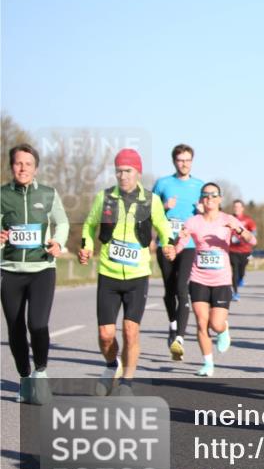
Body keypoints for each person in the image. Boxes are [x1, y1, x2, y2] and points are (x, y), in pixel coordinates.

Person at [80, 149, 175, 395]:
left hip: (137, 275)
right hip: (109, 273)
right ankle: (112, 365)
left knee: (131, 331)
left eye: (128, 171)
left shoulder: (151, 200)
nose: (123, 176)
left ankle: (127, 383)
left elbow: (163, 227)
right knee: (105, 335)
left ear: (138, 173)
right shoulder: (105, 198)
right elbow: (90, 226)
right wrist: (87, 247)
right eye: (119, 171)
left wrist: (169, 245)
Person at [1, 144, 70, 404]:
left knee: (37, 324)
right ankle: (25, 378)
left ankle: (41, 373)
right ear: (12, 166)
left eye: (28, 164)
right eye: (18, 163)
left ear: (35, 168)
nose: (23, 168)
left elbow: (62, 222)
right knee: (15, 329)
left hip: (42, 268)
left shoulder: (48, 194)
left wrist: (58, 243)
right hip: (10, 270)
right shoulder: (3, 195)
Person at [176, 183, 256, 376]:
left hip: (221, 280)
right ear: (201, 199)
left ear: (220, 199)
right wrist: (176, 242)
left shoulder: (228, 219)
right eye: (206, 195)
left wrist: (238, 230)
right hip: (198, 278)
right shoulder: (193, 221)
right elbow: (179, 247)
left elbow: (252, 241)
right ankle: (208, 363)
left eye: (213, 195)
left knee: (215, 324)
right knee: (201, 323)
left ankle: (223, 329)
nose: (209, 198)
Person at [152, 144, 204, 361]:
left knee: (182, 288)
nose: (184, 164)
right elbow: (148, 212)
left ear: (192, 161)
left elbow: (210, 214)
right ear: (174, 161)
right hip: (167, 243)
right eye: (181, 160)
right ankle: (173, 324)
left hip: (189, 245)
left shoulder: (200, 186)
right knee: (169, 289)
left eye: (188, 160)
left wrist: (202, 211)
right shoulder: (163, 184)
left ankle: (179, 337)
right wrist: (164, 207)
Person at [228, 199, 257, 300]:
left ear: (242, 208)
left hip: (245, 250)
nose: (237, 208)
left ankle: (241, 278)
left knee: (242, 271)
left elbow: (254, 232)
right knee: (235, 271)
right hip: (232, 250)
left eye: (239, 207)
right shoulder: (229, 218)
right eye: (235, 206)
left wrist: (247, 237)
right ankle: (235, 293)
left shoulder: (248, 219)